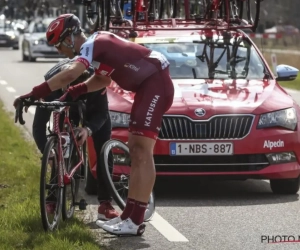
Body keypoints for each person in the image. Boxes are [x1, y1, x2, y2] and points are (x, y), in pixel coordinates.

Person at [13, 13, 174, 236]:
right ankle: (130, 216)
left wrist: (33, 94)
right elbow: (103, 79)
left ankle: (134, 221)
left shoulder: (90, 45)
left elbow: (69, 74)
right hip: (149, 85)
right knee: (136, 149)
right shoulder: (95, 47)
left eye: (59, 45)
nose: (59, 52)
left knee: (141, 152)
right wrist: (72, 93)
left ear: (70, 38)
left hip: (154, 83)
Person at [31, 57, 119, 220]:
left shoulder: (96, 83)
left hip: (94, 108)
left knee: (103, 148)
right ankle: (52, 199)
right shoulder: (51, 86)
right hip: (63, 104)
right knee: (60, 146)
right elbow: (38, 126)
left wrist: (88, 129)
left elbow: (102, 114)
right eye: (68, 89)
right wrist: (48, 153)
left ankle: (105, 203)